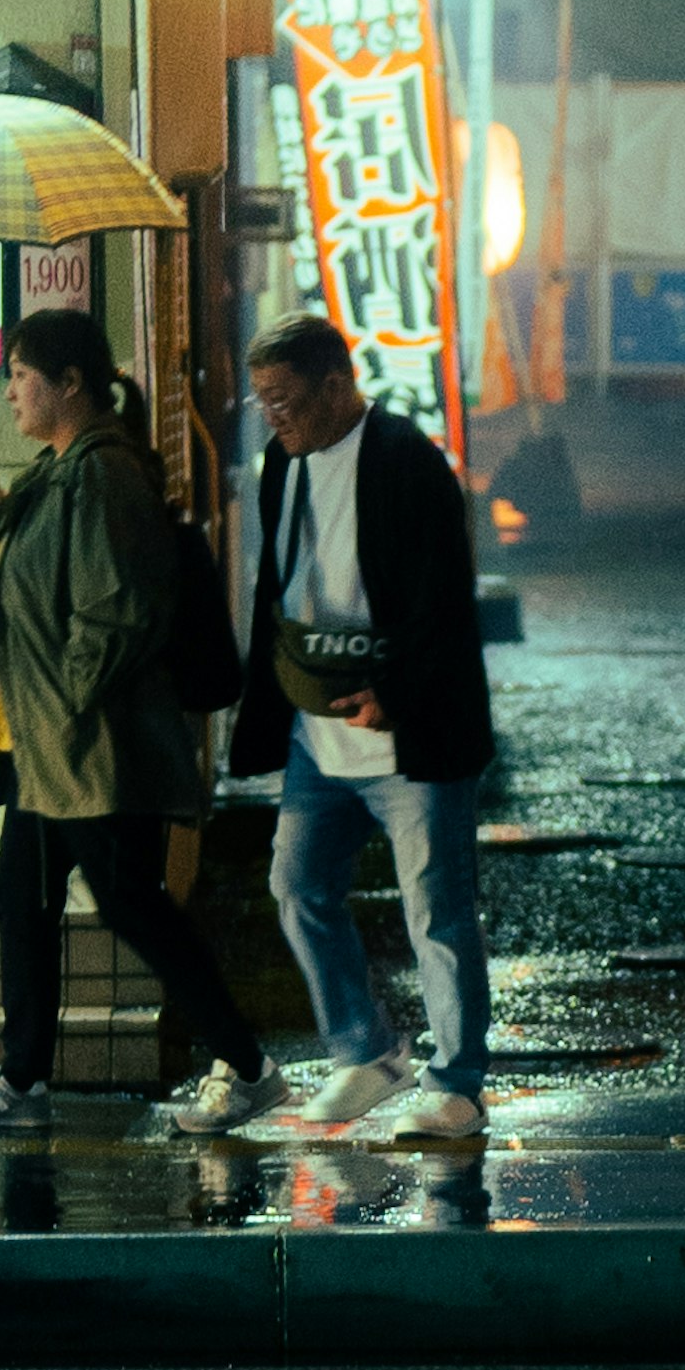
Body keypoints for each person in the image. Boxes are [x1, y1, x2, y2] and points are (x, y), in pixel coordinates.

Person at [0, 305, 262, 1137]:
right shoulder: (62, 466)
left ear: (70, 383)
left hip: (92, 753)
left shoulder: (105, 474)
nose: (7, 392)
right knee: (24, 902)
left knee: (132, 905)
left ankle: (247, 1065)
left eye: (21, 376)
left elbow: (116, 611)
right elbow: (37, 554)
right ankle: (23, 1074)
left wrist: (68, 698)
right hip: (50, 756)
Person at [208, 309, 495, 1144]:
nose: (274, 415)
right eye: (262, 401)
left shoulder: (408, 461)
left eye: (286, 399)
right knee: (297, 887)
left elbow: (445, 602)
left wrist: (393, 690)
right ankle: (363, 1052)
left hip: (410, 735)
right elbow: (279, 589)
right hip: (317, 733)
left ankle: (459, 1082)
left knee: (437, 906)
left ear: (338, 386)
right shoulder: (279, 461)